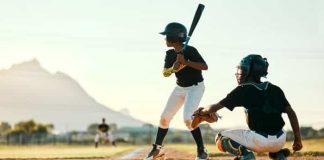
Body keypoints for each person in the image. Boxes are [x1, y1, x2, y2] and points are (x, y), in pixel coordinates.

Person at [194, 54, 303, 160]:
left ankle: (246, 155)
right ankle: (280, 155)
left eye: (243, 69)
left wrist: (201, 112)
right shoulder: (275, 89)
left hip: (259, 141)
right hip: (280, 140)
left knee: (220, 137)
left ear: (250, 72)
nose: (240, 73)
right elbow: (291, 113)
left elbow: (213, 108)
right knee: (272, 129)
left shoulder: (243, 89)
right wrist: (297, 139)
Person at [143, 22, 209, 160]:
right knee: (164, 118)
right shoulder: (169, 54)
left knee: (187, 119)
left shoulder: (190, 51)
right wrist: (174, 68)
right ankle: (157, 149)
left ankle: (202, 150)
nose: (165, 39)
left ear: (174, 37)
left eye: (166, 36)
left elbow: (204, 66)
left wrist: (186, 62)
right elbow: (165, 73)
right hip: (180, 88)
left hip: (195, 87)